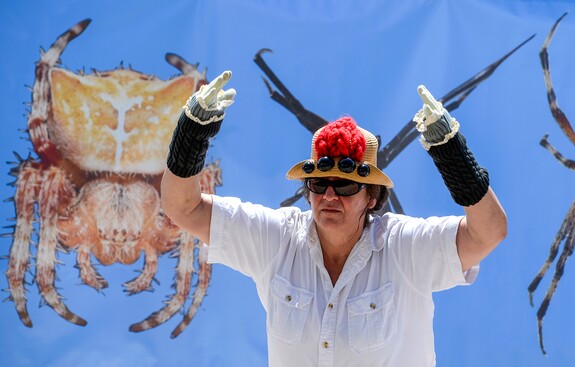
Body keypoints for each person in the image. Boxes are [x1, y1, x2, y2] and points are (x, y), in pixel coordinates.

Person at [161, 71, 507, 366]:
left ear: (372, 198)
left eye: (343, 185)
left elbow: (487, 233)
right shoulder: (277, 238)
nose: (329, 196)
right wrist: (191, 136)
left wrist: (453, 155)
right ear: (307, 190)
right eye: (318, 183)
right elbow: (183, 208)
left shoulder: (404, 247)